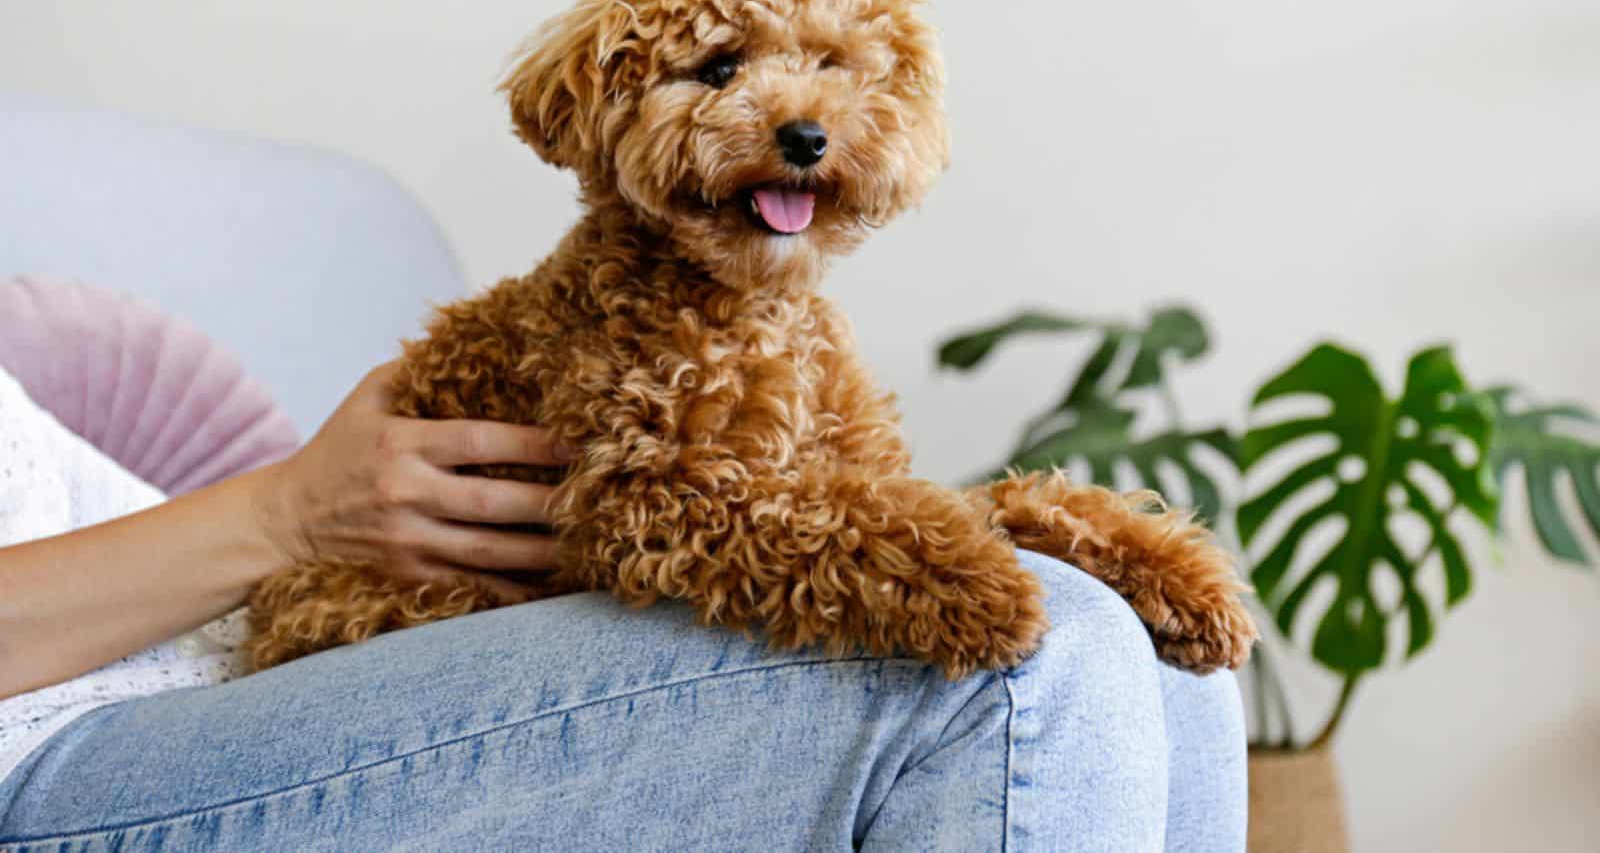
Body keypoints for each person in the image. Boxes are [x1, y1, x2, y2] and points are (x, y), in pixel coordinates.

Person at [0, 363, 1246, 851]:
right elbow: (281, 530)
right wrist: (287, 513)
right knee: (1032, 653)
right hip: (51, 758)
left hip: (234, 668)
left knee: (1159, 655)